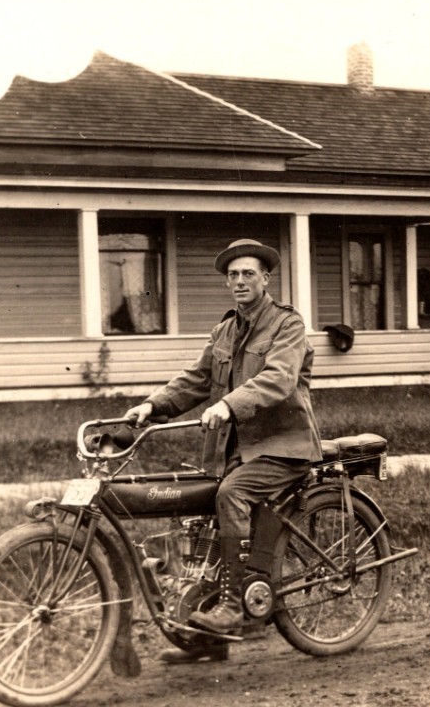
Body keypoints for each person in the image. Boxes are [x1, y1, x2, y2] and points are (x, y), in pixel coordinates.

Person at [124, 238, 322, 663]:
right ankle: (210, 637)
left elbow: (278, 378)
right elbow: (195, 380)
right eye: (233, 275)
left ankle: (233, 607)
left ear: (266, 279)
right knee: (200, 511)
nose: (240, 281)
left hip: (283, 446)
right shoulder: (226, 330)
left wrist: (229, 405)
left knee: (232, 494)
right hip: (235, 451)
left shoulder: (287, 324)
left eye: (248, 273)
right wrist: (152, 406)